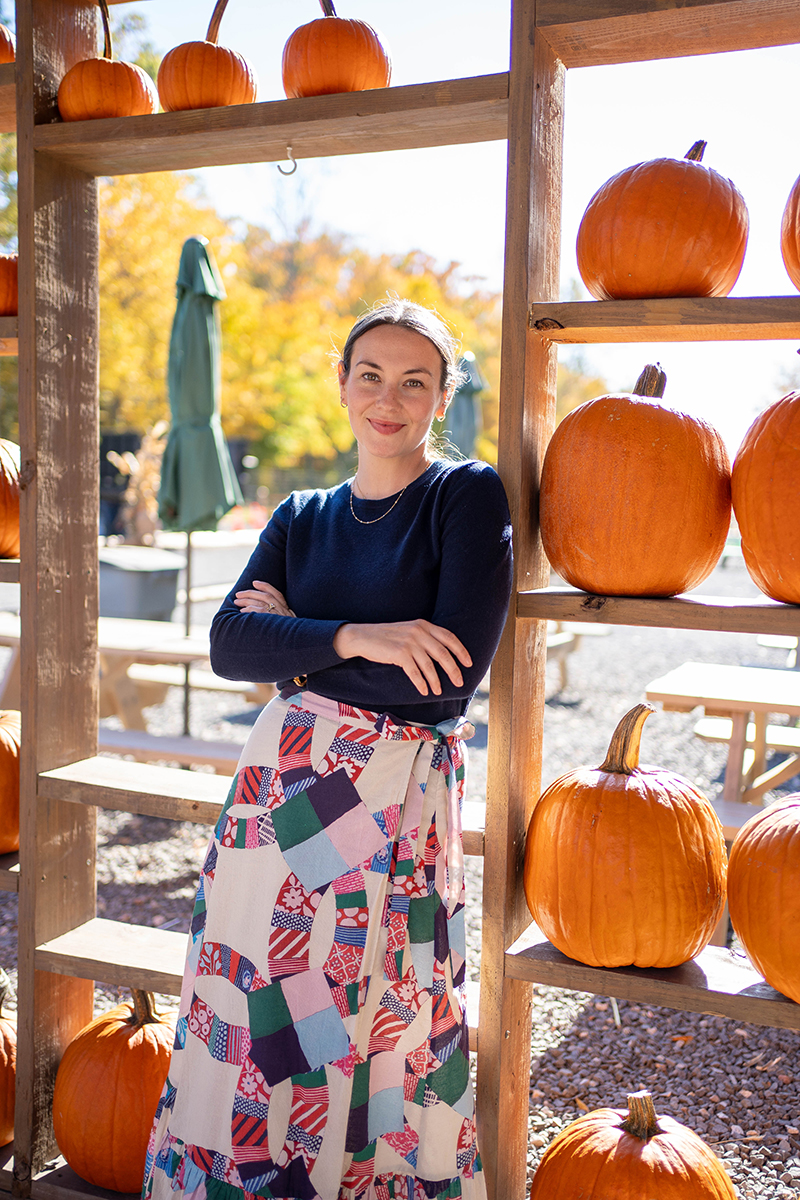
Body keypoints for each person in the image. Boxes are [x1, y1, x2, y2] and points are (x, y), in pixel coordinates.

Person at [143, 299, 513, 1200]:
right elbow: (231, 645)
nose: (389, 399)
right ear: (343, 385)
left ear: (443, 396)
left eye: (414, 381)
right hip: (273, 806)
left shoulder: (462, 496)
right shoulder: (303, 514)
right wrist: (360, 636)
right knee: (254, 1003)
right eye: (371, 376)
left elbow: (445, 680)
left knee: (372, 1012)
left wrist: (299, 649)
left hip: (388, 802)